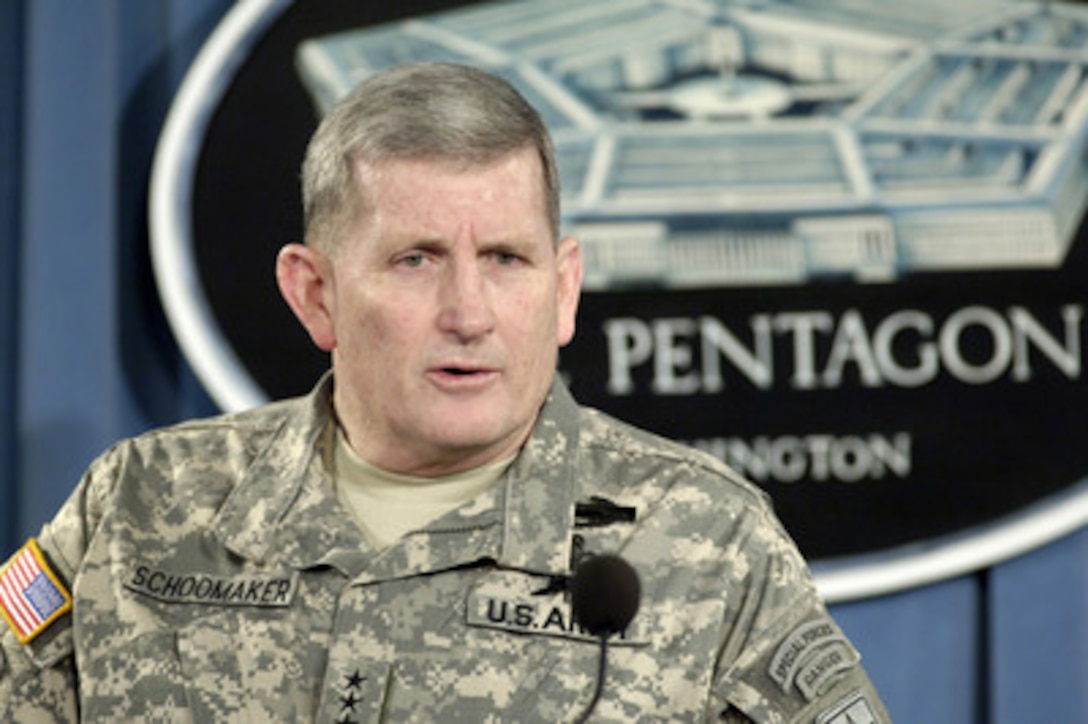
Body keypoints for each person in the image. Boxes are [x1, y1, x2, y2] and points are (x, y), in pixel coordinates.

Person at [0, 61, 889, 722]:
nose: (469, 313)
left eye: (506, 259)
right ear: (316, 293)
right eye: (415, 260)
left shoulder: (705, 541)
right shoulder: (139, 507)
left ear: (564, 288)